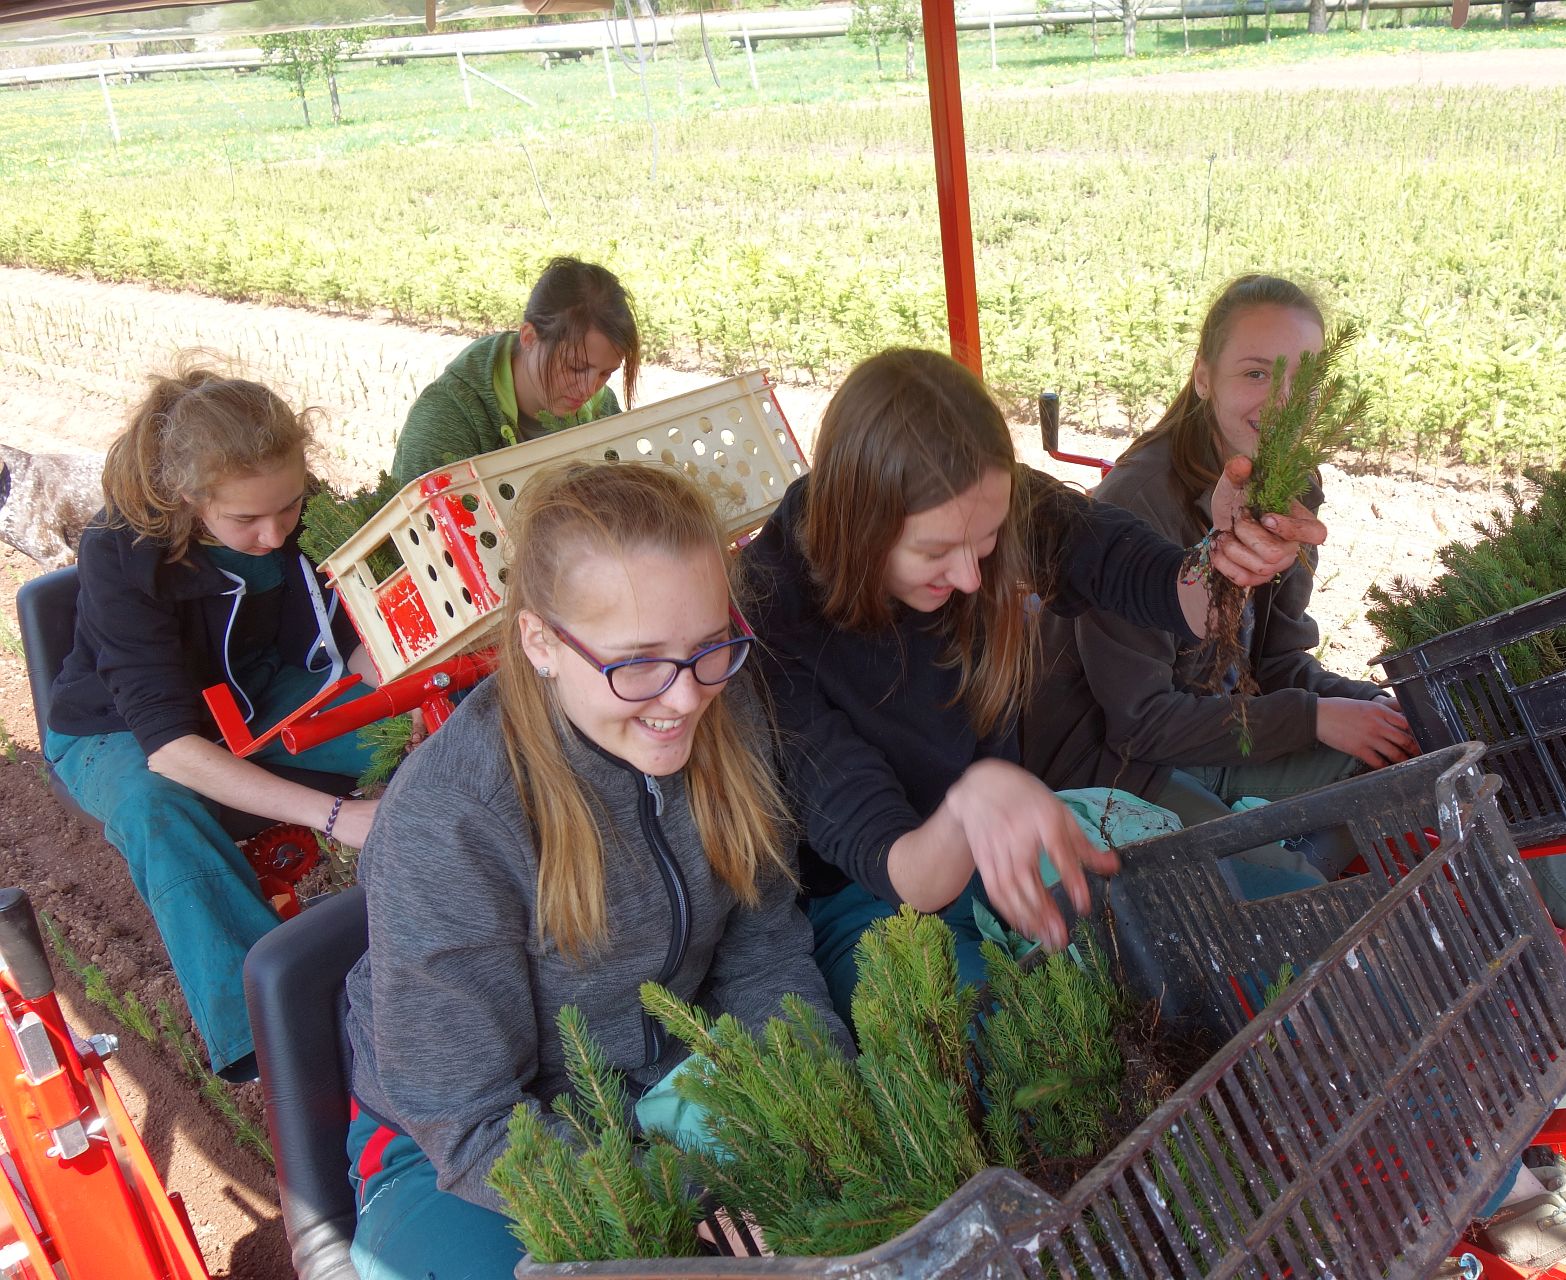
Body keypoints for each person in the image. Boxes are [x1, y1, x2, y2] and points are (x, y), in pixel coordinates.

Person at [342, 461, 844, 1279]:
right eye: (637, 663)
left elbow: (765, 956)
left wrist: (816, 1107)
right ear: (541, 642)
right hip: (462, 1154)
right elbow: (469, 1124)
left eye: (709, 647)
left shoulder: (726, 712)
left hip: (671, 1082)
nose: (684, 699)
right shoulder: (452, 819)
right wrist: (688, 1203)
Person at [738, 346, 1319, 1027]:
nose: (970, 578)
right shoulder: (774, 614)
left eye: (984, 542)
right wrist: (969, 805)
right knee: (1009, 1047)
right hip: (871, 900)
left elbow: (1146, 576)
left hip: (1008, 835)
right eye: (934, 552)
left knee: (1252, 927)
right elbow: (900, 869)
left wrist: (1227, 558)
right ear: (856, 523)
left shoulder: (977, 499)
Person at [44, 364, 383, 1081]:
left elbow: (344, 627)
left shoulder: (294, 509)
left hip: (255, 692)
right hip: (118, 732)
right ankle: (278, 1042)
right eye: (245, 521)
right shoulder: (120, 550)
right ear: (188, 499)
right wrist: (336, 815)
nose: (274, 532)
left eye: (288, 507)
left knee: (414, 730)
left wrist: (381, 675)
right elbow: (169, 747)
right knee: (157, 808)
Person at [1024, 274, 1414, 881]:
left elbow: (1276, 663)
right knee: (1286, 892)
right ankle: (1282, 867)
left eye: (1304, 383)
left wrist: (1374, 706)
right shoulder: (1138, 501)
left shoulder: (1289, 483)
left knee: (1406, 762)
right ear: (1204, 377)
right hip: (1116, 765)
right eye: (1256, 373)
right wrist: (1314, 718)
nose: (1282, 404)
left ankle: (1287, 852)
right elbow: (1141, 724)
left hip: (1220, 729)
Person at [390, 256, 641, 482]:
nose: (589, 388)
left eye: (606, 373)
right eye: (576, 367)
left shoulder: (601, 406)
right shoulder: (444, 417)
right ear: (529, 337)